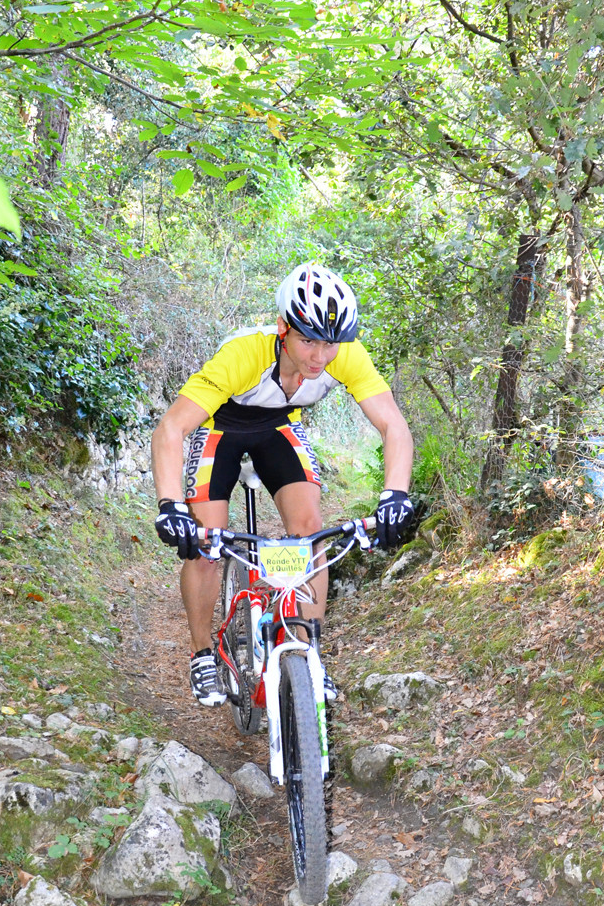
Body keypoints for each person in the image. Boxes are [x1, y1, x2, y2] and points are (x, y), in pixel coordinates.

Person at [151, 263, 414, 706]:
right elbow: (171, 428)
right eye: (308, 340)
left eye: (329, 343)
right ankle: (201, 654)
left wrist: (396, 495)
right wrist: (170, 505)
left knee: (311, 533)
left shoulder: (346, 355)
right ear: (282, 328)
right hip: (220, 428)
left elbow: (394, 426)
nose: (320, 357)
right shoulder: (244, 355)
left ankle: (307, 654)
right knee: (205, 545)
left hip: (279, 428)